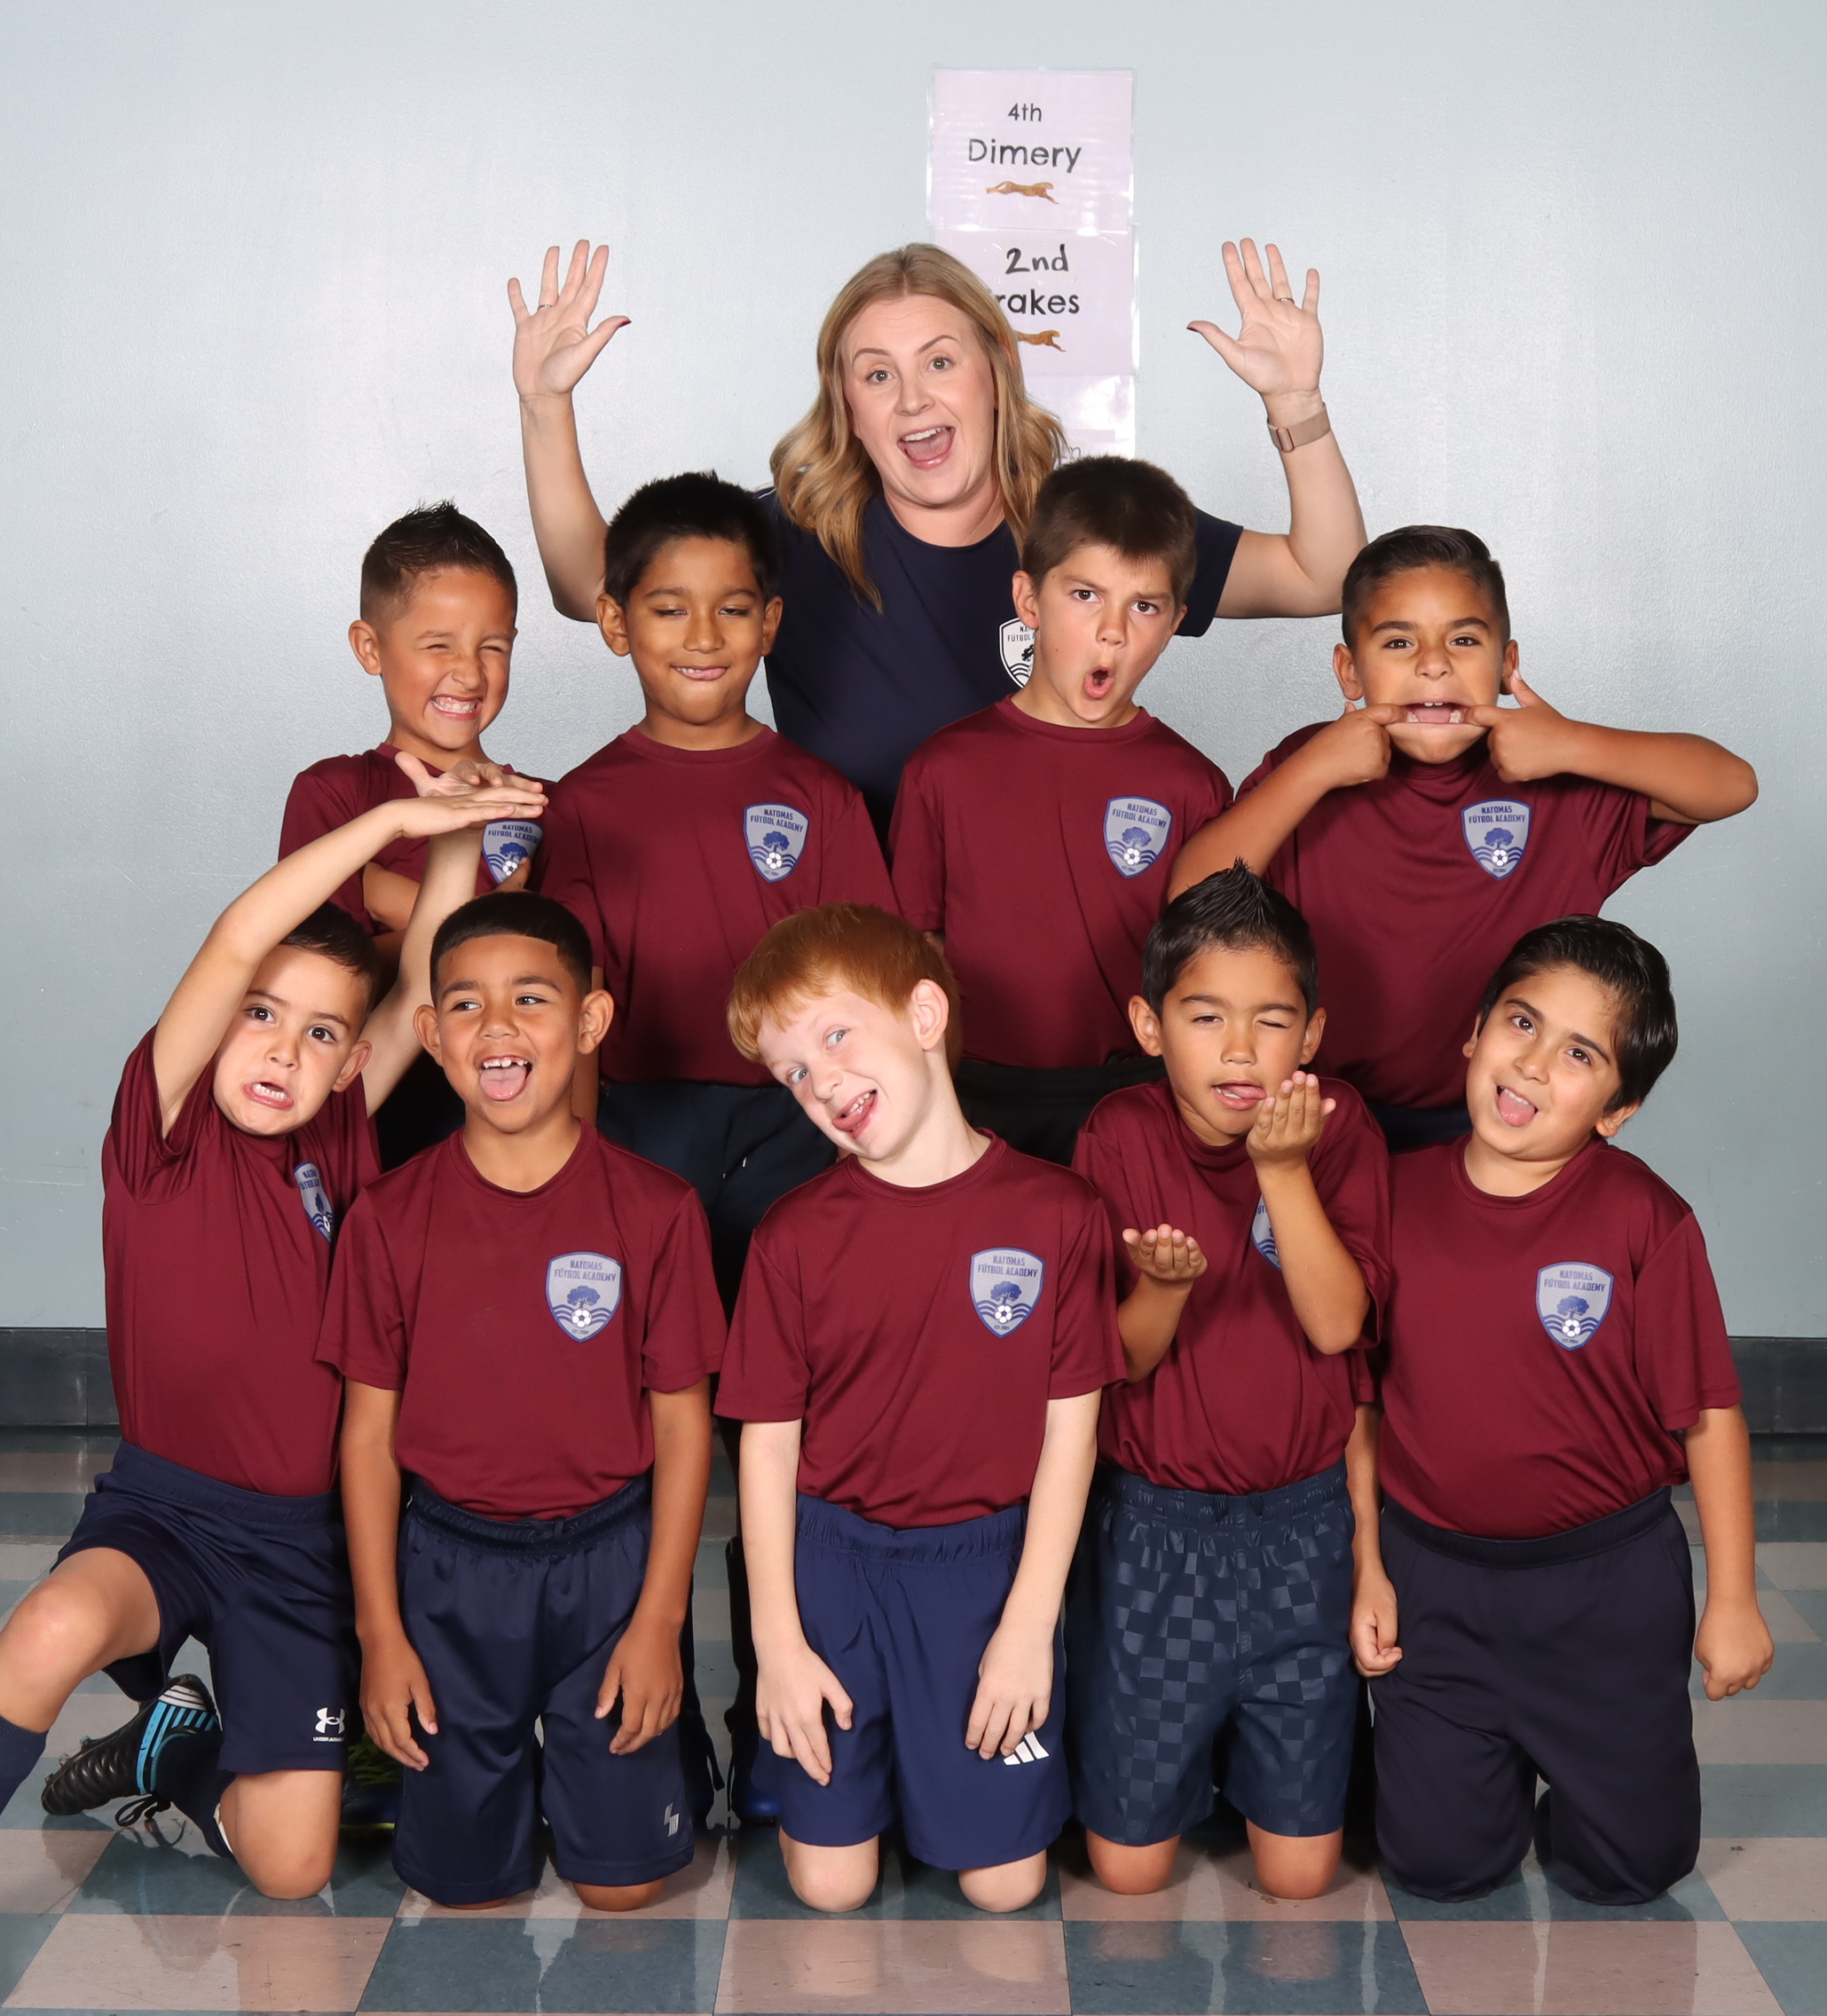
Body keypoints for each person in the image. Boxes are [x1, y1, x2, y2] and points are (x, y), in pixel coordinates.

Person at [0, 768, 539, 2008]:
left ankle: (175, 1751)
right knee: (52, 1627)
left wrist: (453, 835)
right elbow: (239, 936)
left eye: (322, 1034)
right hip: (164, 1516)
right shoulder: (162, 1131)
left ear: (353, 1064)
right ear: (218, 1018)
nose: (285, 1049)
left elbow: (422, 974)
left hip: (300, 1550)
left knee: (293, 1867)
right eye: (262, 1015)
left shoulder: (339, 1133)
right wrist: (393, 822)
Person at [508, 237, 1369, 816]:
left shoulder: (1092, 528)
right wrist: (545, 405)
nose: (913, 399)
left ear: (997, 369)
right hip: (861, 971)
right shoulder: (795, 536)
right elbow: (591, 588)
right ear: (846, 405)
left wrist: (1297, 404)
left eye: (940, 362)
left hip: (1056, 956)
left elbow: (1324, 575)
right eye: (877, 375)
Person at [1356, 917, 1771, 1910]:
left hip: (1605, 1589)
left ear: (1618, 1111)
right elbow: (1357, 1401)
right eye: (1522, 1022)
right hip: (1436, 1582)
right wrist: (1367, 1564)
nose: (1534, 1063)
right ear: (1473, 1031)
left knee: (1631, 1871)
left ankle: (1584, 1777)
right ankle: (1481, 1773)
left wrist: (1734, 1600)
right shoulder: (1389, 1197)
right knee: (1439, 1866)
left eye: (1580, 1054)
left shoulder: (1646, 1221)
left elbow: (1709, 1414)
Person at [721, 905, 1120, 1914]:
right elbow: (767, 1447)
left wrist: (1027, 1626)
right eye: (792, 1072)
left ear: (926, 1015)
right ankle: (872, 1780)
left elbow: (1071, 1432)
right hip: (836, 1567)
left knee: (1003, 1886)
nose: (821, 1082)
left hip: (983, 1569)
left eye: (835, 1035)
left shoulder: (1058, 1212)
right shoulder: (792, 1235)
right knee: (832, 1886)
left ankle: (934, 1767)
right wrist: (778, 1644)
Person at [328, 890, 717, 1913]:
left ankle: (635, 1773)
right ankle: (507, 1785)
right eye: (466, 1004)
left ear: (590, 1021)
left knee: (622, 1890)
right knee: (463, 1889)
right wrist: (381, 1633)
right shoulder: (387, 1217)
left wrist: (659, 1618)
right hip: (451, 1568)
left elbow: (685, 1426)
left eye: (531, 998)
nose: (496, 1025)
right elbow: (367, 1438)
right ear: (431, 1035)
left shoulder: (659, 1209)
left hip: (610, 1563)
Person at [1172, 524, 1758, 1146]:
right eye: (1399, 642)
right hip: (1323, 1117)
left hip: (1501, 1124)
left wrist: (1572, 743)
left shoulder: (1562, 778)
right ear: (1350, 671)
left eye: (1464, 640)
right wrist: (1314, 769)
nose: (1434, 663)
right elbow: (1192, 901)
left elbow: (1732, 785)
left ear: (1507, 665)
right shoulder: (1308, 765)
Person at [1068, 869, 1390, 1902]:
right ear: (1149, 1026)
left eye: (1272, 1020)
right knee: (1128, 1872)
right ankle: (1181, 1769)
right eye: (1206, 1017)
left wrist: (1282, 1170)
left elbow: (1337, 1325)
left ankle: (1246, 1769)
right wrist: (1164, 1289)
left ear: (1314, 1032)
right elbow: (1123, 1358)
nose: (1241, 1050)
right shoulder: (1118, 1133)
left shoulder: (1341, 1125)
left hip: (1303, 1526)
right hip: (1155, 1530)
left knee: (1300, 1878)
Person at [533, 470, 890, 1274]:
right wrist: (580, 1164)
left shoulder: (822, 797)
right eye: (669, 610)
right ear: (617, 622)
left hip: (800, 1115)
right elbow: (574, 1001)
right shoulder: (583, 805)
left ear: (770, 624)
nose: (703, 637)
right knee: (656, 1328)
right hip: (642, 1123)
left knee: (792, 1321)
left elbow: (869, 990)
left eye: (731, 609)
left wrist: (859, 1148)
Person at [886, 454, 1234, 1162]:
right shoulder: (943, 768)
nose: (1113, 631)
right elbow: (916, 947)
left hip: (1135, 1093)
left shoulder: (1193, 784)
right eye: (1085, 595)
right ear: (1029, 599)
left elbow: (1208, 971)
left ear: (1175, 622)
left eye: (1144, 606)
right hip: (974, 1093)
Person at [277, 506, 542, 1180]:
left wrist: (384, 897)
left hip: (510, 1123)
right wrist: (487, 925)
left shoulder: (542, 805)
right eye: (438, 645)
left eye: (493, 646)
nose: (470, 673)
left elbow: (565, 988)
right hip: (365, 1116)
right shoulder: (334, 794)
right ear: (370, 648)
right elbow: (333, 981)